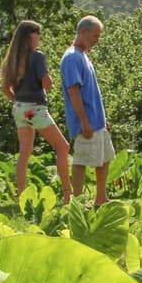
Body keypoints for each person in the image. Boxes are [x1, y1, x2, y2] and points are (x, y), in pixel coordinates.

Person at [0, 19, 71, 202]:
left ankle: (22, 195)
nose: (39, 37)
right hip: (35, 108)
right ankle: (67, 194)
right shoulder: (37, 56)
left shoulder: (12, 59)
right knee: (62, 147)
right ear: (29, 35)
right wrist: (51, 83)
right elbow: (47, 84)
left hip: (19, 108)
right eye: (37, 33)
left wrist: (17, 100)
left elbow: (5, 88)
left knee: (25, 152)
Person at [60, 15, 112, 207]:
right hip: (86, 121)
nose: (97, 40)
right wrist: (84, 121)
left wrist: (102, 119)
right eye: (95, 35)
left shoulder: (83, 56)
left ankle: (101, 197)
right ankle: (78, 202)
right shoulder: (72, 57)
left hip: (97, 120)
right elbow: (73, 91)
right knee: (81, 160)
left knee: (105, 158)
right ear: (83, 32)